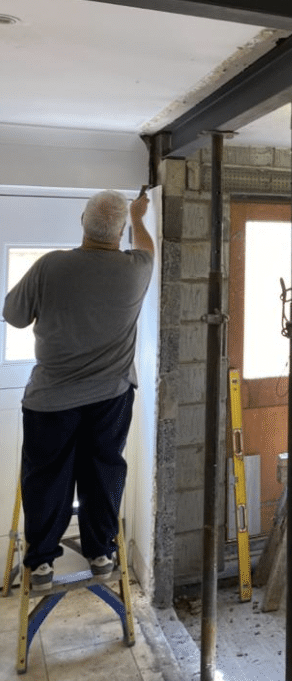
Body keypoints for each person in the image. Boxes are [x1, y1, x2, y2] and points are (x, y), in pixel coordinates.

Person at [2, 189, 154, 591]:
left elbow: (13, 316)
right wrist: (139, 217)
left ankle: (41, 563)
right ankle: (101, 553)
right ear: (120, 232)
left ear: (82, 222)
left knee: (47, 476)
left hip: (50, 401)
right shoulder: (136, 269)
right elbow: (147, 248)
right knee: (103, 471)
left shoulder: (50, 266)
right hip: (111, 398)